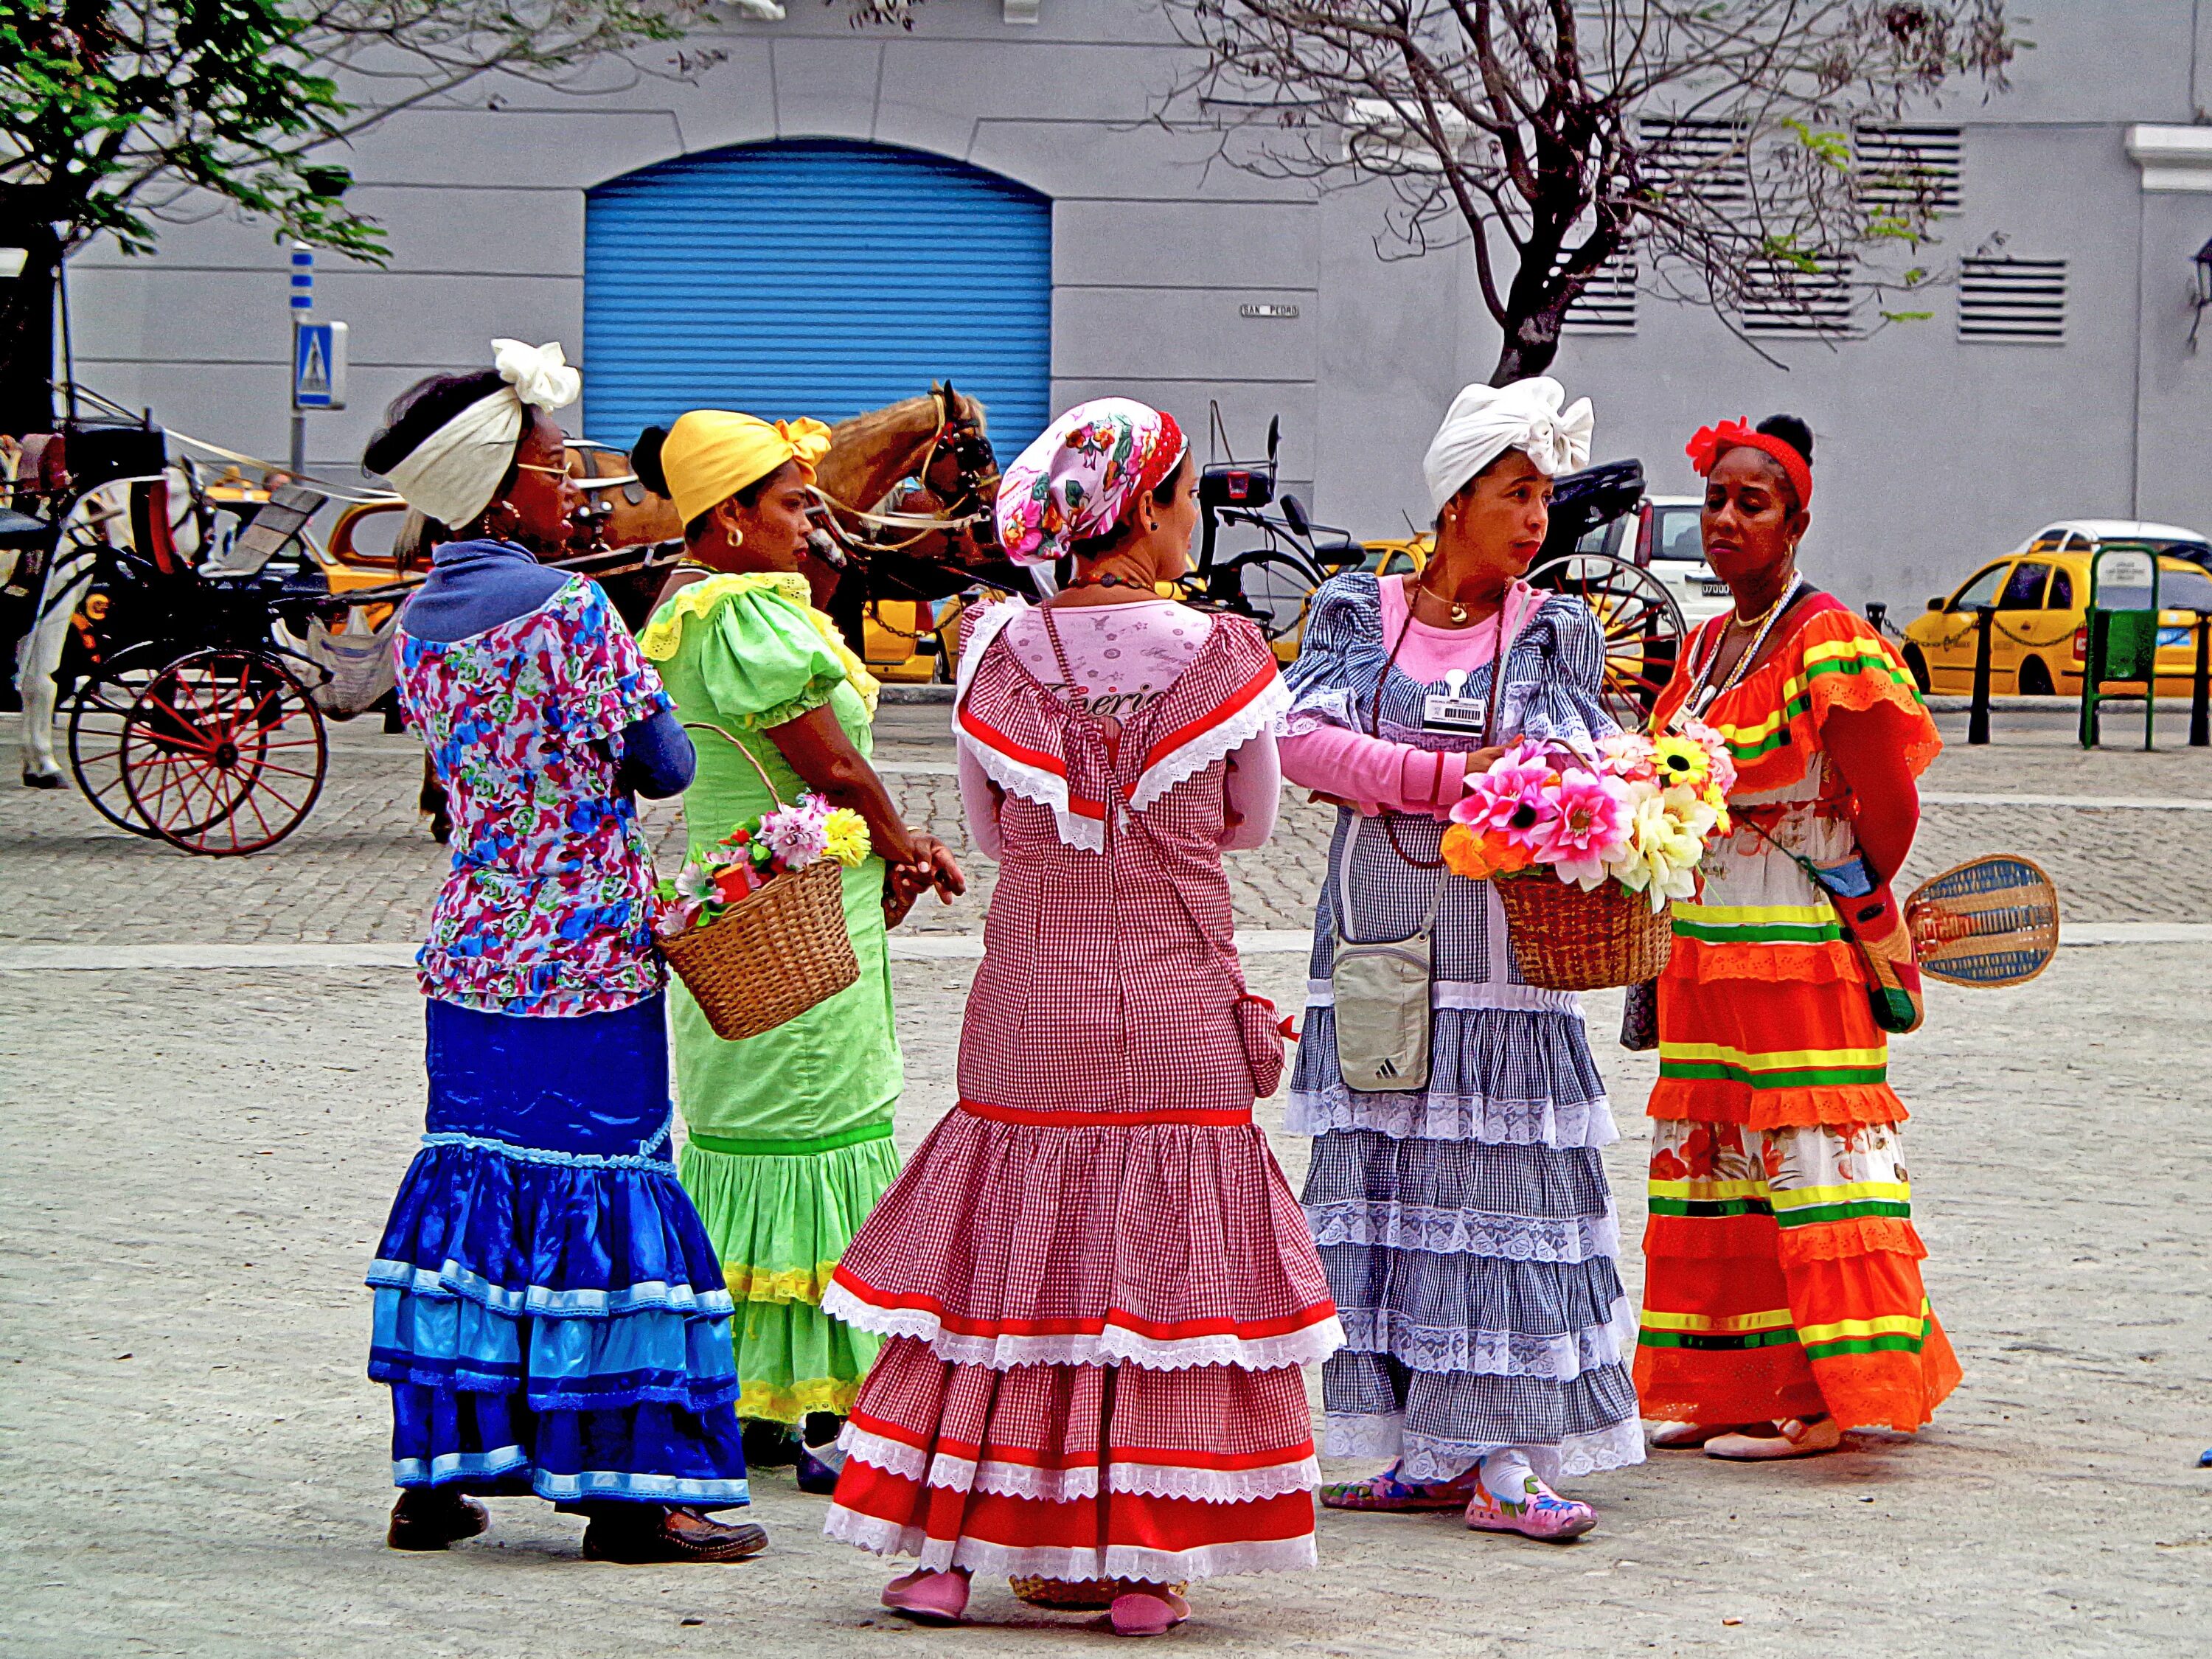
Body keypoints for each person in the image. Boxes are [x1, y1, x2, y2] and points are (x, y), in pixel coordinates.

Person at [819, 397, 1341, 1638]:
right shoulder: (1223, 657)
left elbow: (997, 834)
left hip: (1032, 1004)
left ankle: (946, 1551)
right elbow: (1253, 827)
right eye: (1186, 499)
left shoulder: (1000, 653)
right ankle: (1145, 1565)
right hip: (1171, 1003)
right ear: (1152, 507)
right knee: (1157, 1286)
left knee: (1006, 1272)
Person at [361, 341, 762, 1562]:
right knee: (607, 1189)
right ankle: (631, 1491)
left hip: (474, 951)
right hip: (585, 950)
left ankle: (437, 1481)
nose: (569, 489)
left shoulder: (414, 621)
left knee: (469, 1190)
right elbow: (666, 765)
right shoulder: (572, 607)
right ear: (499, 490)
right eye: (550, 467)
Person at [1277, 378, 1644, 1540]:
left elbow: (1573, 761)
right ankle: (1405, 1447)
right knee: (1391, 1187)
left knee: (1495, 1191)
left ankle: (1502, 1457)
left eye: (1544, 496)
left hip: (1505, 967)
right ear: (1453, 501)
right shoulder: (1354, 611)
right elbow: (1298, 739)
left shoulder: (1555, 630)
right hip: (1382, 948)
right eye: (1514, 492)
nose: (1537, 518)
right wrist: (1447, 776)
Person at [629, 410, 965, 1490]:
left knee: (750, 1136)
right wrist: (906, 838)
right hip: (792, 908)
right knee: (814, 1130)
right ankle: (818, 1404)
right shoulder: (736, 616)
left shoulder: (702, 607)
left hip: (762, 900)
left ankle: (756, 1394)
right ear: (726, 519)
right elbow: (833, 767)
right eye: (787, 504)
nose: (811, 522)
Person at [1634, 414, 1960, 1459]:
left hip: (1798, 952)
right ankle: (1733, 1384)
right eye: (1717, 502)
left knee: (1815, 1163)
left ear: (1797, 521)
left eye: (1752, 505)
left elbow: (1888, 803)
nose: (1726, 520)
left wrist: (1853, 902)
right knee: (1722, 1165)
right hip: (1707, 955)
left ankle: (1830, 1394)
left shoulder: (1827, 643)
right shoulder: (1701, 649)